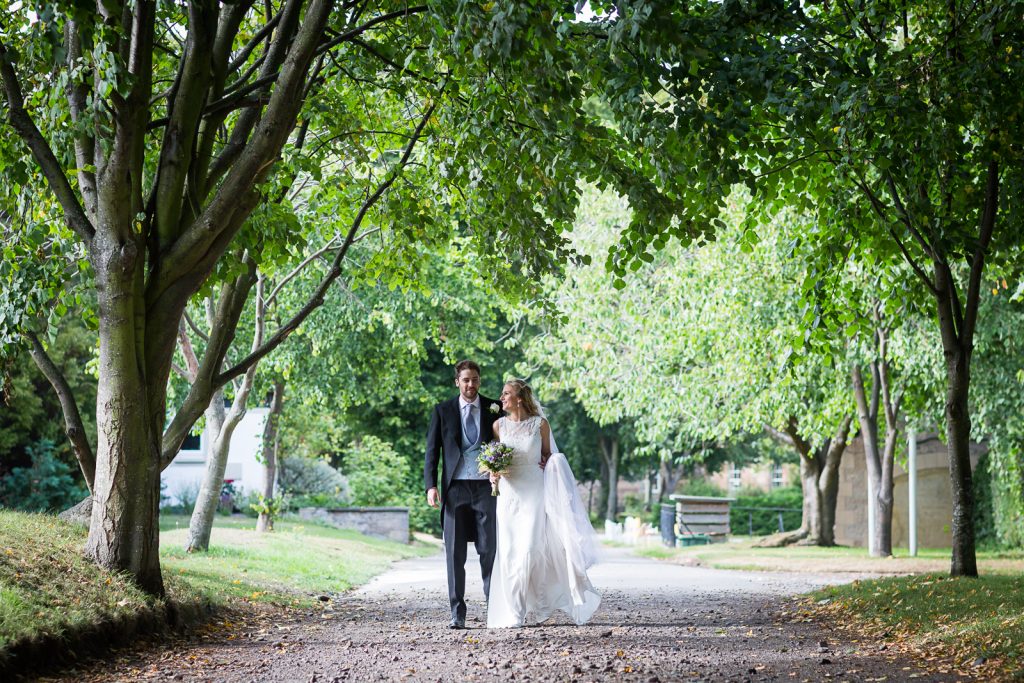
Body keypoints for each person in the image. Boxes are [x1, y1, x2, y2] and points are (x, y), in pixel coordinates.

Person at [486, 378, 601, 628]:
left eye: (506, 393)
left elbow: (550, 457)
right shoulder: (497, 426)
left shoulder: (540, 425)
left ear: (519, 398)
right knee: (508, 552)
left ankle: (536, 605)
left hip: (534, 492)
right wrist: (493, 473)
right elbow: (493, 459)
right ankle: (514, 612)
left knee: (529, 550)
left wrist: (549, 462)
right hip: (508, 494)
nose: (501, 398)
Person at [424, 360, 503, 629]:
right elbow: (432, 451)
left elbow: (509, 441)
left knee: (489, 549)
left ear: (480, 381)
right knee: (454, 554)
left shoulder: (495, 408)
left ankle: (495, 607)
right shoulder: (443, 410)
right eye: (466, 380)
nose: (471, 385)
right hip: (454, 489)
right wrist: (430, 486)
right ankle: (457, 613)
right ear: (457, 381)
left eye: (476, 380)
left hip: (486, 488)